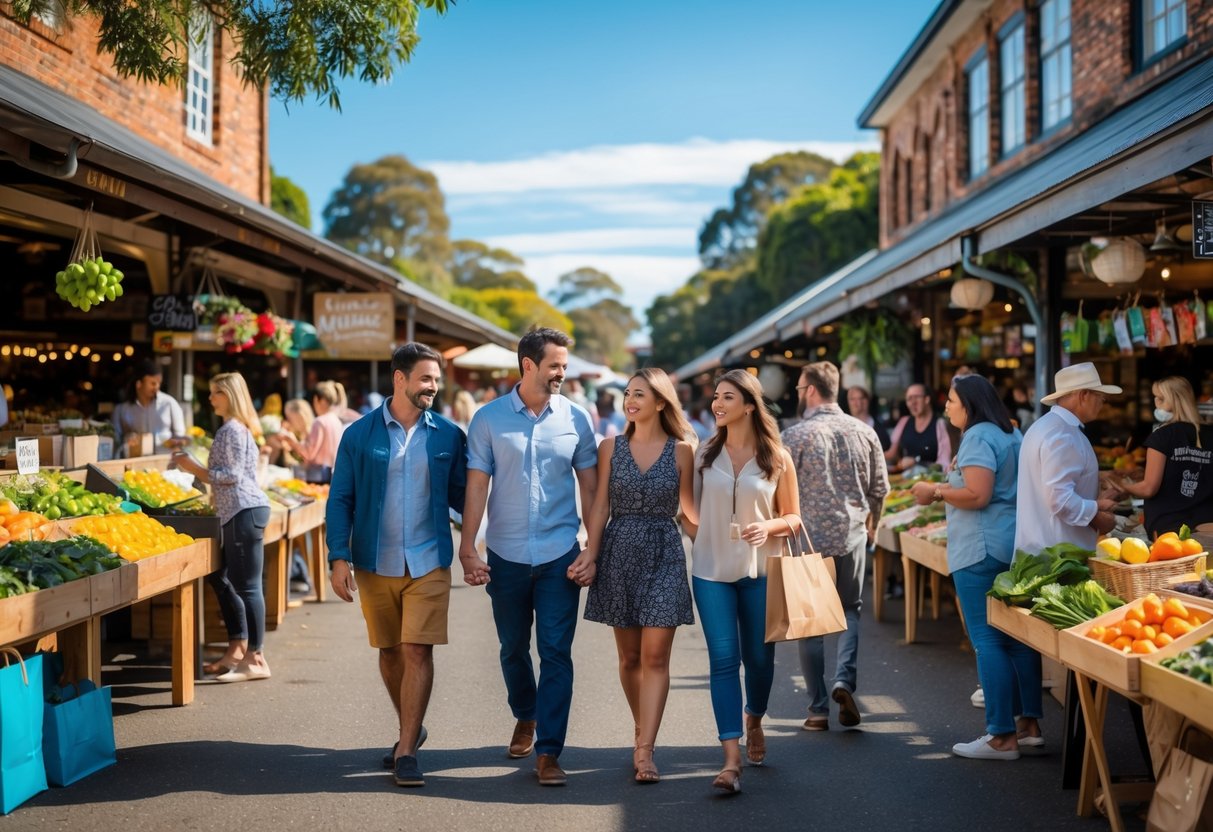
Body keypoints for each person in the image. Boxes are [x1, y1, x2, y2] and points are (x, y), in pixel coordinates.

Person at [457, 328, 598, 787]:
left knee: (556, 653)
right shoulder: (489, 419)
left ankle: (549, 752)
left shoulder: (577, 418)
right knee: (513, 648)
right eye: (555, 365)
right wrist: (468, 546)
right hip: (506, 556)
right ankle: (525, 713)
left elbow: (592, 488)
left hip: (561, 555)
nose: (561, 373)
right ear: (528, 365)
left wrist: (592, 548)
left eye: (564, 366)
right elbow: (476, 486)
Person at [325, 343, 467, 788]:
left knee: (416, 649)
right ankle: (412, 724)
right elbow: (340, 499)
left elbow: (467, 498)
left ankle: (407, 749)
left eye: (437, 380)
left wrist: (485, 540)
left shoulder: (448, 435)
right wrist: (337, 556)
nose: (433, 388)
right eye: (426, 379)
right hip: (374, 560)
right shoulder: (359, 434)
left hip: (428, 559)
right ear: (400, 379)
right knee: (389, 652)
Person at [909, 375, 1038, 760]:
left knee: (987, 640)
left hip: (979, 549)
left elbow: (977, 495)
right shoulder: (1010, 433)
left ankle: (1001, 736)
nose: (946, 407)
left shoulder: (979, 435)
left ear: (970, 404)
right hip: (1009, 544)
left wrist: (935, 491)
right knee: (1016, 639)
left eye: (950, 401)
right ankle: (1028, 726)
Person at [581, 368, 698, 784]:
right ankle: (641, 729)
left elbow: (689, 515)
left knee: (654, 657)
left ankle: (645, 750)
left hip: (665, 552)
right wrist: (590, 556)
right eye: (628, 393)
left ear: (661, 403)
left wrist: (728, 540)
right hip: (619, 551)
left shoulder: (683, 450)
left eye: (640, 395)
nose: (630, 401)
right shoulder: (610, 446)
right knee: (629, 658)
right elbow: (599, 508)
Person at [690, 369, 801, 794]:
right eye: (716, 397)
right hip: (710, 572)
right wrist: (692, 527)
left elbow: (794, 517)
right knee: (722, 661)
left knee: (759, 661)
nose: (717, 404)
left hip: (761, 572)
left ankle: (754, 716)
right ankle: (730, 759)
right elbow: (690, 510)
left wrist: (769, 528)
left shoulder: (777, 457)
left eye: (728, 398)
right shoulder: (704, 454)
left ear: (750, 406)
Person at [782, 363, 888, 732]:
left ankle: (817, 710)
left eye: (799, 388)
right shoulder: (864, 432)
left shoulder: (794, 437)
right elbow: (880, 488)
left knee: (811, 624)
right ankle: (844, 680)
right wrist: (871, 521)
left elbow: (776, 491)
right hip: (852, 535)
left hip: (807, 539)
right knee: (850, 611)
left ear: (810, 390)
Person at [171, 373, 271, 683]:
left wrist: (192, 467)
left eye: (216, 393)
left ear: (229, 396)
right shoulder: (237, 429)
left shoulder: (231, 430)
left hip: (243, 509)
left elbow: (230, 475)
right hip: (240, 511)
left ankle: (255, 658)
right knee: (222, 576)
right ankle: (237, 649)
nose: (211, 398)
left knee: (248, 586)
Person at [1016, 361, 1122, 555]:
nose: (1102, 402)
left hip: (1046, 554)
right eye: (1099, 396)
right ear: (1083, 395)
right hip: (1059, 558)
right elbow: (1060, 500)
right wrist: (1097, 509)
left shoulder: (1045, 426)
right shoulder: (1062, 434)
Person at [1113, 376, 1213, 537]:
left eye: (1160, 399)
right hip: (1207, 523)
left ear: (1175, 401)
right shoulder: (1210, 435)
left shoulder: (1162, 436)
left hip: (1168, 525)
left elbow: (1149, 488)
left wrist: (1121, 484)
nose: (1156, 403)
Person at [271, 381, 342, 484]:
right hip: (331, 473)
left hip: (318, 476)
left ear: (317, 399)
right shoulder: (336, 420)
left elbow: (309, 453)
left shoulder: (320, 421)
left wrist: (291, 440)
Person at [113, 359, 186, 456]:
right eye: (153, 383)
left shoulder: (169, 403)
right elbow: (115, 441)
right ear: (139, 384)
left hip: (165, 463)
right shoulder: (122, 410)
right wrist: (127, 440)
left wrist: (176, 443)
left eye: (159, 383)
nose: (157, 387)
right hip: (134, 465)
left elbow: (180, 436)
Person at [885, 382, 952, 472]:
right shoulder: (904, 421)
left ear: (927, 399)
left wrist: (917, 462)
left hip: (932, 481)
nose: (912, 402)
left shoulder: (940, 424)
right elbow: (892, 454)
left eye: (916, 397)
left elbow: (945, 464)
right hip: (905, 480)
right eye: (909, 399)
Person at [845, 385, 890, 451]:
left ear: (868, 401)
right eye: (853, 399)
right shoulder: (844, 428)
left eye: (861, 398)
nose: (858, 403)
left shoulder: (880, 427)